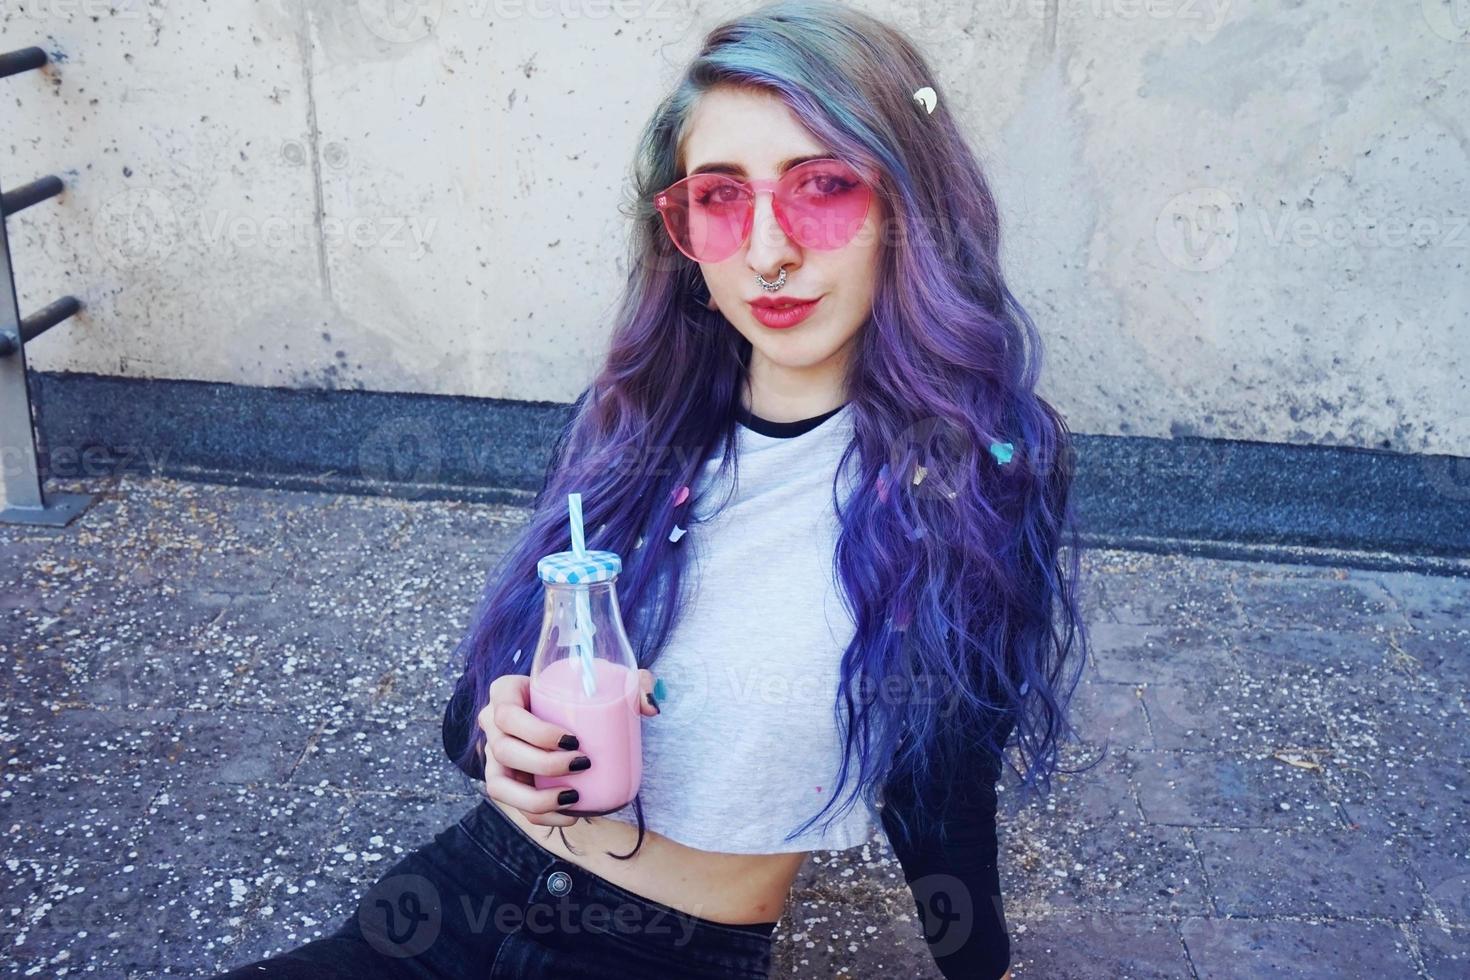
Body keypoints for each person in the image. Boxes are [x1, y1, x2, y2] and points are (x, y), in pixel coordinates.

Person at [212, 2, 1088, 978]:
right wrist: (500, 730)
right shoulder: (637, 415)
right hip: (458, 900)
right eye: (720, 198)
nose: (768, 252)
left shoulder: (975, 467)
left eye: (824, 188)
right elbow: (480, 707)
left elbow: (941, 774)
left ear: (906, 208)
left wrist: (983, 965)